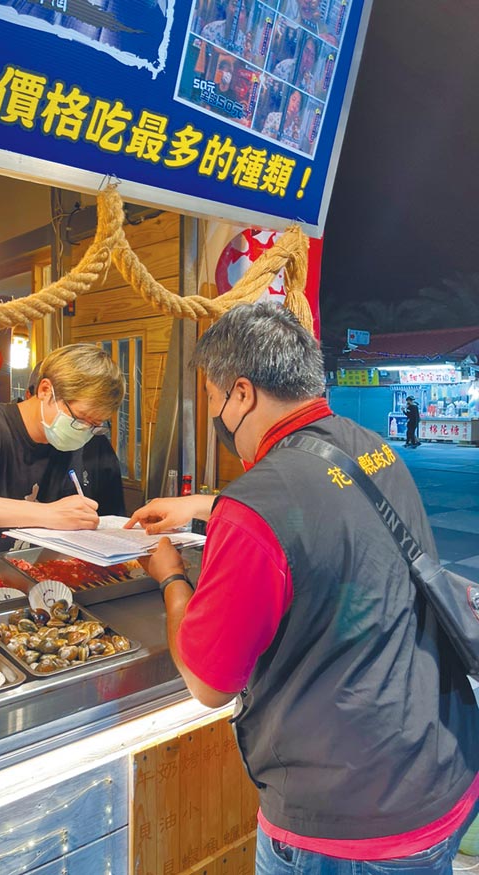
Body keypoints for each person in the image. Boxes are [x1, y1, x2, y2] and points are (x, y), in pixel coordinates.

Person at [127, 302, 479, 874]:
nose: (216, 413)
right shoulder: (371, 446)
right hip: (442, 766)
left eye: (214, 398)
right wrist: (202, 507)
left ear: (241, 395)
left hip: (345, 827)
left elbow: (208, 683)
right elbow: (325, 507)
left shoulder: (257, 504)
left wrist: (169, 575)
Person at [0, 343, 126, 560]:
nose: (84, 431)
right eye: (79, 418)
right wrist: (48, 514)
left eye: (95, 424)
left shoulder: (88, 440)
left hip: (48, 578)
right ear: (45, 391)